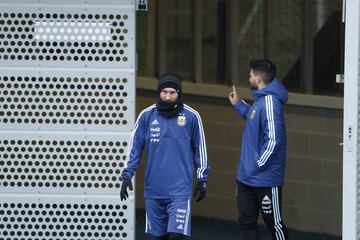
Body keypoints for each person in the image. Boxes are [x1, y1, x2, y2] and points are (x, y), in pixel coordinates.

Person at [120, 72, 211, 240]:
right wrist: (127, 175)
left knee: (176, 236)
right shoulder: (146, 116)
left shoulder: (192, 117)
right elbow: (135, 148)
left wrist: (202, 179)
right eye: (164, 92)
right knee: (157, 238)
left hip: (180, 191)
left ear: (179, 93)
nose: (168, 97)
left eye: (172, 92)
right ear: (159, 92)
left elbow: (201, 149)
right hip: (154, 189)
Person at [228, 59, 289, 240]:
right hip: (246, 177)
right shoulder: (260, 100)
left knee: (274, 224)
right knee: (246, 223)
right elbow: (254, 118)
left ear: (258, 77)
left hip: (265, 179)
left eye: (250, 75)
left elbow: (273, 139)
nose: (249, 78)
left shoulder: (270, 101)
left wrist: (257, 163)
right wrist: (238, 104)